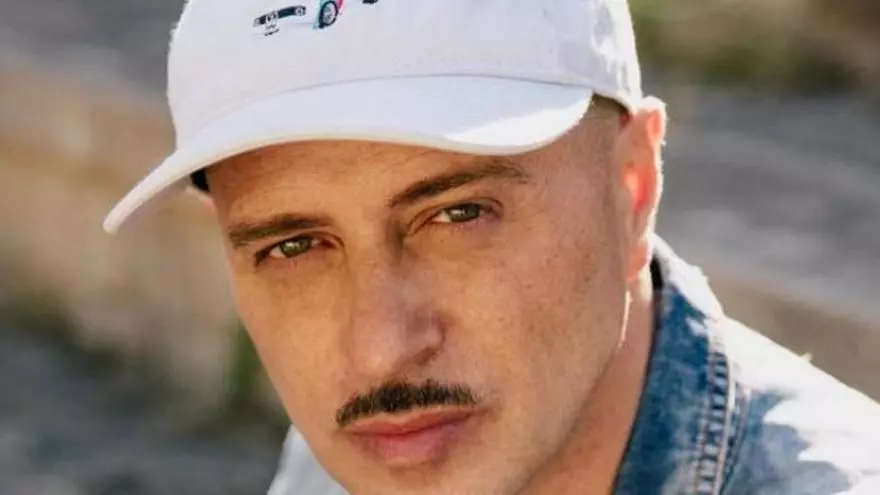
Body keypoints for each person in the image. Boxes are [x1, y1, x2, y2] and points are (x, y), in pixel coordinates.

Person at [103, 0, 880, 493]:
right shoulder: (390, 442)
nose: (379, 350)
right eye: (296, 245)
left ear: (633, 186)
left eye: (458, 214)